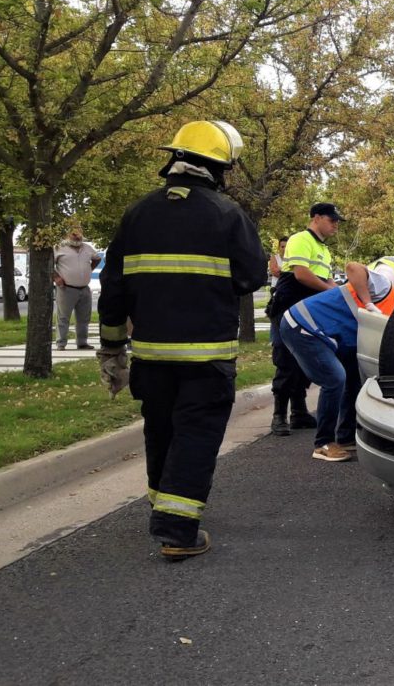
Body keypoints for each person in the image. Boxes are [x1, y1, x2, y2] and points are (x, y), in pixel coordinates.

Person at [97, 119, 266, 561]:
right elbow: (252, 277)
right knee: (195, 434)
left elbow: (112, 290)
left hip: (151, 359)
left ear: (174, 159)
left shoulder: (136, 214)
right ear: (219, 168)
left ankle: (164, 504)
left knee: (162, 429)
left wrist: (112, 349)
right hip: (206, 359)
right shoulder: (229, 216)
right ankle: (177, 529)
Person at [280, 253, 394, 462]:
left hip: (325, 333)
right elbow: (353, 267)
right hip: (303, 325)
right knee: (334, 379)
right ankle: (323, 443)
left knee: (354, 380)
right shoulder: (385, 287)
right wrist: (368, 303)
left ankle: (346, 438)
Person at [267, 204, 342, 436]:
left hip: (309, 310)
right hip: (288, 306)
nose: (335, 225)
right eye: (332, 220)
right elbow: (301, 274)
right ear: (317, 218)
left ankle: (298, 412)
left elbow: (328, 280)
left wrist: (340, 293)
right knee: (286, 360)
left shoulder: (324, 249)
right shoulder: (300, 239)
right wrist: (329, 292)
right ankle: (278, 415)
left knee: (304, 360)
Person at [53, 225, 101, 350]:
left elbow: (97, 258)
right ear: (67, 235)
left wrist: (89, 269)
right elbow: (48, 265)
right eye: (74, 234)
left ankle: (82, 342)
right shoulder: (59, 248)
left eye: (79, 234)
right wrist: (56, 277)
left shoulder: (87, 248)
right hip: (66, 288)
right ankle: (61, 343)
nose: (77, 237)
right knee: (63, 317)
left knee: (84, 318)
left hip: (84, 288)